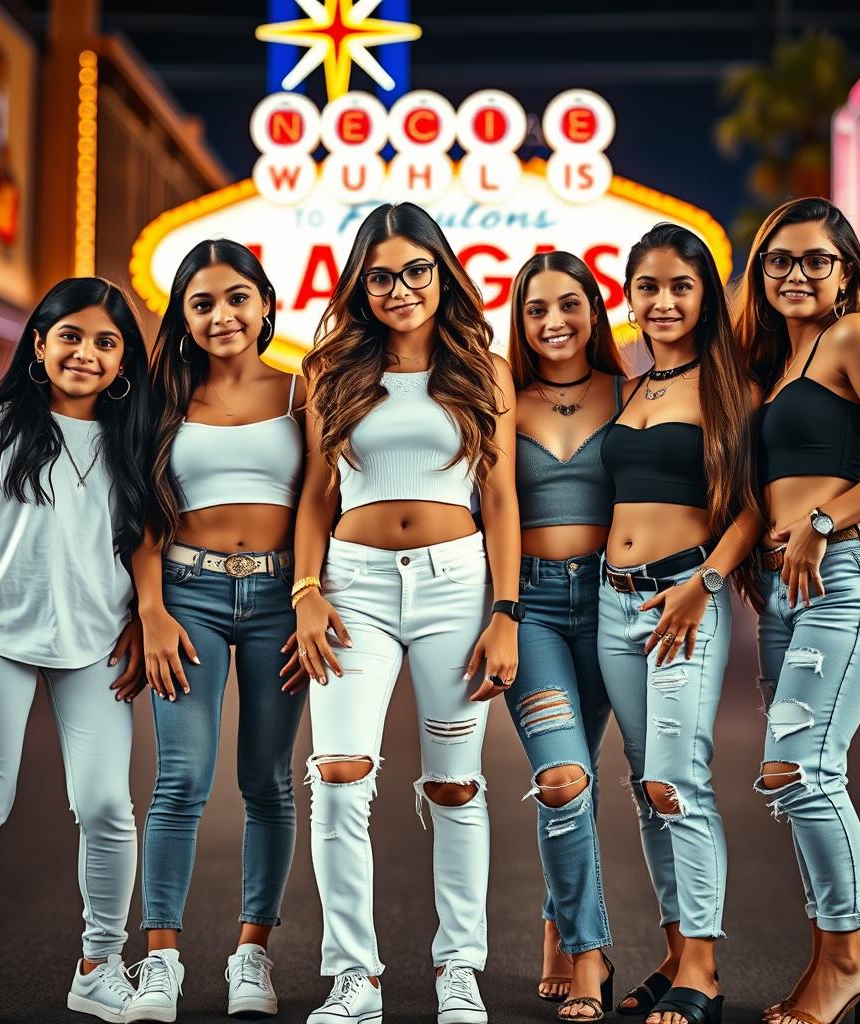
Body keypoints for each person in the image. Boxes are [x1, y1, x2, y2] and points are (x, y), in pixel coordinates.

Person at [294, 202, 520, 1024]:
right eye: (380, 275)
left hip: (458, 584)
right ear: (360, 284)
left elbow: (500, 499)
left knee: (456, 784)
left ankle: (458, 968)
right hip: (351, 586)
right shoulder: (328, 372)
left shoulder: (485, 371)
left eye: (415, 270)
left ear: (442, 273)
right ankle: (355, 977)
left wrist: (506, 610)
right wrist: (306, 590)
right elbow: (317, 497)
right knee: (339, 775)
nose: (399, 289)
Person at [0, 278, 151, 1024]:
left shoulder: (136, 437)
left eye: (106, 342)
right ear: (40, 346)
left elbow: (146, 541)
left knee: (109, 805)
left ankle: (100, 963)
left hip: (95, 643)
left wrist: (144, 619)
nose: (87, 352)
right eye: (72, 337)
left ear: (124, 360)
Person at [736, 197, 860, 1024]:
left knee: (800, 771)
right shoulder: (778, 361)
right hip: (786, 590)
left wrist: (821, 522)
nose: (797, 274)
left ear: (847, 271)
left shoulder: (853, 339)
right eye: (780, 260)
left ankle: (849, 960)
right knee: (800, 778)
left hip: (842, 573)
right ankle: (830, 964)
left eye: (816, 260)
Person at [125, 240, 306, 1023]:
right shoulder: (163, 395)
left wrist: (307, 592)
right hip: (186, 596)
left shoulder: (307, 389)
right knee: (179, 781)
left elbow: (322, 503)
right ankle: (160, 960)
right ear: (184, 317)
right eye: (202, 303)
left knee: (266, 782)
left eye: (237, 297)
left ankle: (251, 955)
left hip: (277, 597)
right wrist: (151, 610)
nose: (222, 315)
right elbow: (140, 511)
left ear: (266, 302)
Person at [598, 224, 762, 1024]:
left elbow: (753, 504)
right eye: (648, 287)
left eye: (680, 287)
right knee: (643, 783)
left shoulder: (732, 389)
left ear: (704, 296)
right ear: (629, 296)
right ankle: (672, 951)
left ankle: (703, 967)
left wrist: (706, 580)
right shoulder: (629, 388)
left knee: (676, 779)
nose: (662, 302)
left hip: (683, 595)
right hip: (611, 598)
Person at [505, 252, 622, 1019]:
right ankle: (589, 954)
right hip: (535, 609)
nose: (554, 322)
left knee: (582, 772)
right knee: (562, 779)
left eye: (570, 304)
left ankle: (557, 920)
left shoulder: (635, 394)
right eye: (537, 308)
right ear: (518, 321)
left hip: (616, 604)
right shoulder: (500, 400)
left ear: (594, 310)